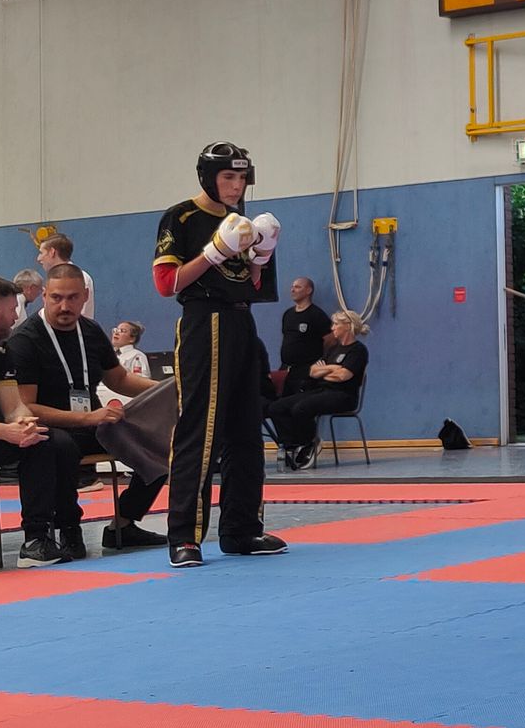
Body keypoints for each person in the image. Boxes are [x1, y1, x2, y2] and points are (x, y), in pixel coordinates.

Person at [152, 141, 287, 567]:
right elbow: (167, 284)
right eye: (228, 176)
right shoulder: (181, 217)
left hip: (243, 321)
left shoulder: (243, 222)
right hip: (203, 320)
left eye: (242, 177)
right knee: (200, 428)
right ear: (209, 178)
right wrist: (213, 253)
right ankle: (184, 536)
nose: (236, 186)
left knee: (247, 427)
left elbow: (253, 286)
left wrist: (262, 255)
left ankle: (241, 529)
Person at [7, 264, 167, 555]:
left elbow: (118, 379)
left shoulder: (91, 331)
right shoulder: (25, 340)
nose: (64, 306)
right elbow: (26, 406)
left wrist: (168, 388)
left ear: (85, 296)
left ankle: (124, 523)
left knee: (158, 442)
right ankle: (68, 528)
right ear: (44, 295)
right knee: (60, 445)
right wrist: (86, 417)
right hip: (49, 427)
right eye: (56, 298)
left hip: (93, 424)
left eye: (72, 298)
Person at [0, 276, 62, 567]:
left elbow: (13, 405)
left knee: (43, 439)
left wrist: (23, 423)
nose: (16, 317)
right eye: (12, 310)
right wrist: (4, 431)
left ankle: (36, 540)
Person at [272, 311, 368, 470]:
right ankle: (291, 445)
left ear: (347, 326)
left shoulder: (358, 350)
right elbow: (313, 371)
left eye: (336, 324)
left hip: (343, 395)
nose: (333, 328)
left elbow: (343, 376)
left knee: (301, 408)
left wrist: (325, 372)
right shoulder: (332, 349)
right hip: (322, 389)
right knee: (277, 407)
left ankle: (310, 442)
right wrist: (333, 368)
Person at [280, 277, 330, 394]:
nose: (293, 290)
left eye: (297, 287)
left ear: (308, 290)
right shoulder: (288, 314)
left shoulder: (317, 315)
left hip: (306, 372)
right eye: (292, 287)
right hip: (288, 370)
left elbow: (330, 341)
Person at [37, 234, 96, 319]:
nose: (39, 258)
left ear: (52, 252)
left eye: (41, 253)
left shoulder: (79, 278)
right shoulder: (53, 278)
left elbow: (78, 315)